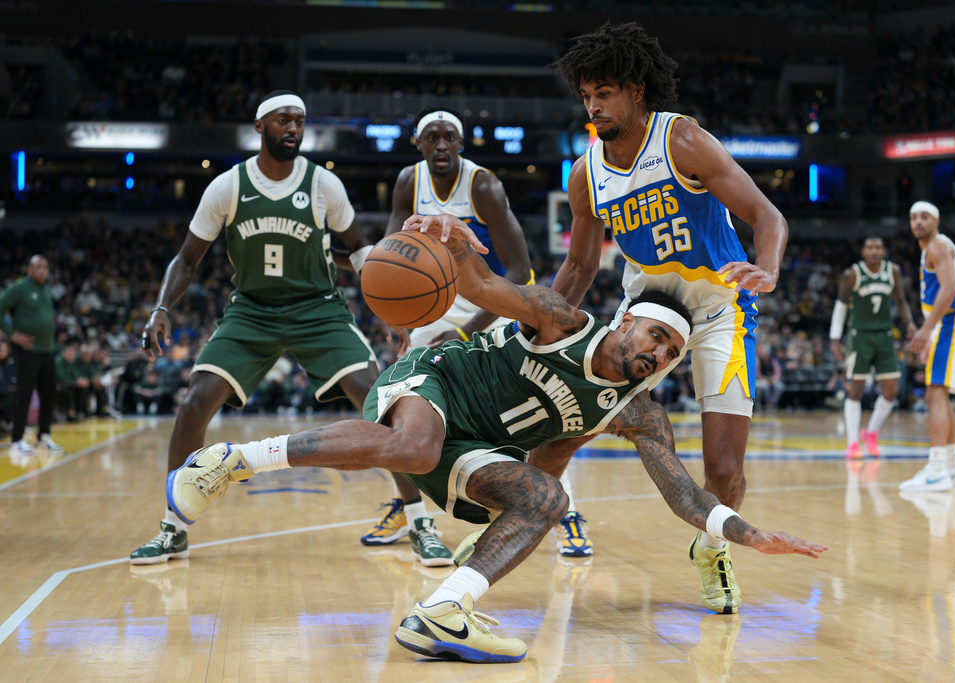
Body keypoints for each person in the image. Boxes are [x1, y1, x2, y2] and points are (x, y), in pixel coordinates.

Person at [166, 214, 827, 664]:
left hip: (475, 454)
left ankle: (445, 608)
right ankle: (229, 461)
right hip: (434, 384)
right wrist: (449, 243)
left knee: (547, 497)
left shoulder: (638, 412)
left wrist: (745, 531)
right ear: (625, 322)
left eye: (672, 350)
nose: (658, 351)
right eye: (654, 335)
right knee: (416, 448)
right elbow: (479, 284)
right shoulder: (561, 319)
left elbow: (683, 492)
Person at [535, 21, 789, 614]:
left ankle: (711, 549)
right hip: (645, 312)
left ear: (637, 91)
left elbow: (768, 215)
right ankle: (515, 513)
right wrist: (539, 323)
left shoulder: (683, 142)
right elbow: (577, 265)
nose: (593, 106)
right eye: (587, 95)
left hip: (722, 311)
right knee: (570, 424)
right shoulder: (586, 172)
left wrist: (768, 268)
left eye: (604, 93)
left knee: (724, 468)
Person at [128, 91, 383, 564]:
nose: (293, 128)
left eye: (300, 121)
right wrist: (161, 307)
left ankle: (418, 519)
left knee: (381, 402)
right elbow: (187, 259)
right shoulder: (228, 186)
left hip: (318, 308)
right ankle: (172, 527)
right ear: (260, 126)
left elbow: (360, 249)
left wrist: (391, 312)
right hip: (252, 311)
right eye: (283, 120)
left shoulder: (324, 184)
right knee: (194, 403)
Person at [359, 106, 543, 560]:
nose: (441, 145)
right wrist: (395, 315)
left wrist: (465, 332)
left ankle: (566, 509)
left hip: (493, 299)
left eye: (449, 138)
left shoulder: (483, 185)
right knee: (401, 411)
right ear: (419, 144)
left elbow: (520, 269)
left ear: (461, 144)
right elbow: (390, 253)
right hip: (434, 303)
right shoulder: (409, 181)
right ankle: (411, 511)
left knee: (527, 414)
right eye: (432, 137)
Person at [900, 201, 955, 492]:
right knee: (940, 394)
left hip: (954, 322)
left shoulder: (937, 246)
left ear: (936, 220)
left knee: (935, 393)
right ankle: (953, 467)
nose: (918, 222)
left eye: (924, 217)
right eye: (913, 217)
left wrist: (927, 328)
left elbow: (949, 290)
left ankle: (936, 470)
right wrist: (932, 335)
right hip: (951, 325)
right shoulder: (931, 250)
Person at [829, 237, 915, 458]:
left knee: (892, 389)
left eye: (878, 247)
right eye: (869, 247)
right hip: (860, 336)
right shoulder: (852, 274)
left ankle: (871, 432)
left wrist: (910, 324)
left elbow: (901, 300)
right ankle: (852, 443)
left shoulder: (893, 271)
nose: (874, 251)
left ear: (884, 250)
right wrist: (835, 338)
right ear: (863, 251)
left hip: (885, 335)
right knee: (856, 389)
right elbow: (840, 306)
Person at [0, 255, 63, 454]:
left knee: (49, 394)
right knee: (24, 394)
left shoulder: (46, 289)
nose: (42, 270)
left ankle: (43, 436)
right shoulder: (20, 287)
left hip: (47, 350)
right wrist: (12, 335)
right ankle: (17, 439)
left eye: (45, 266)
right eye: (37, 267)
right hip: (28, 350)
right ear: (29, 270)